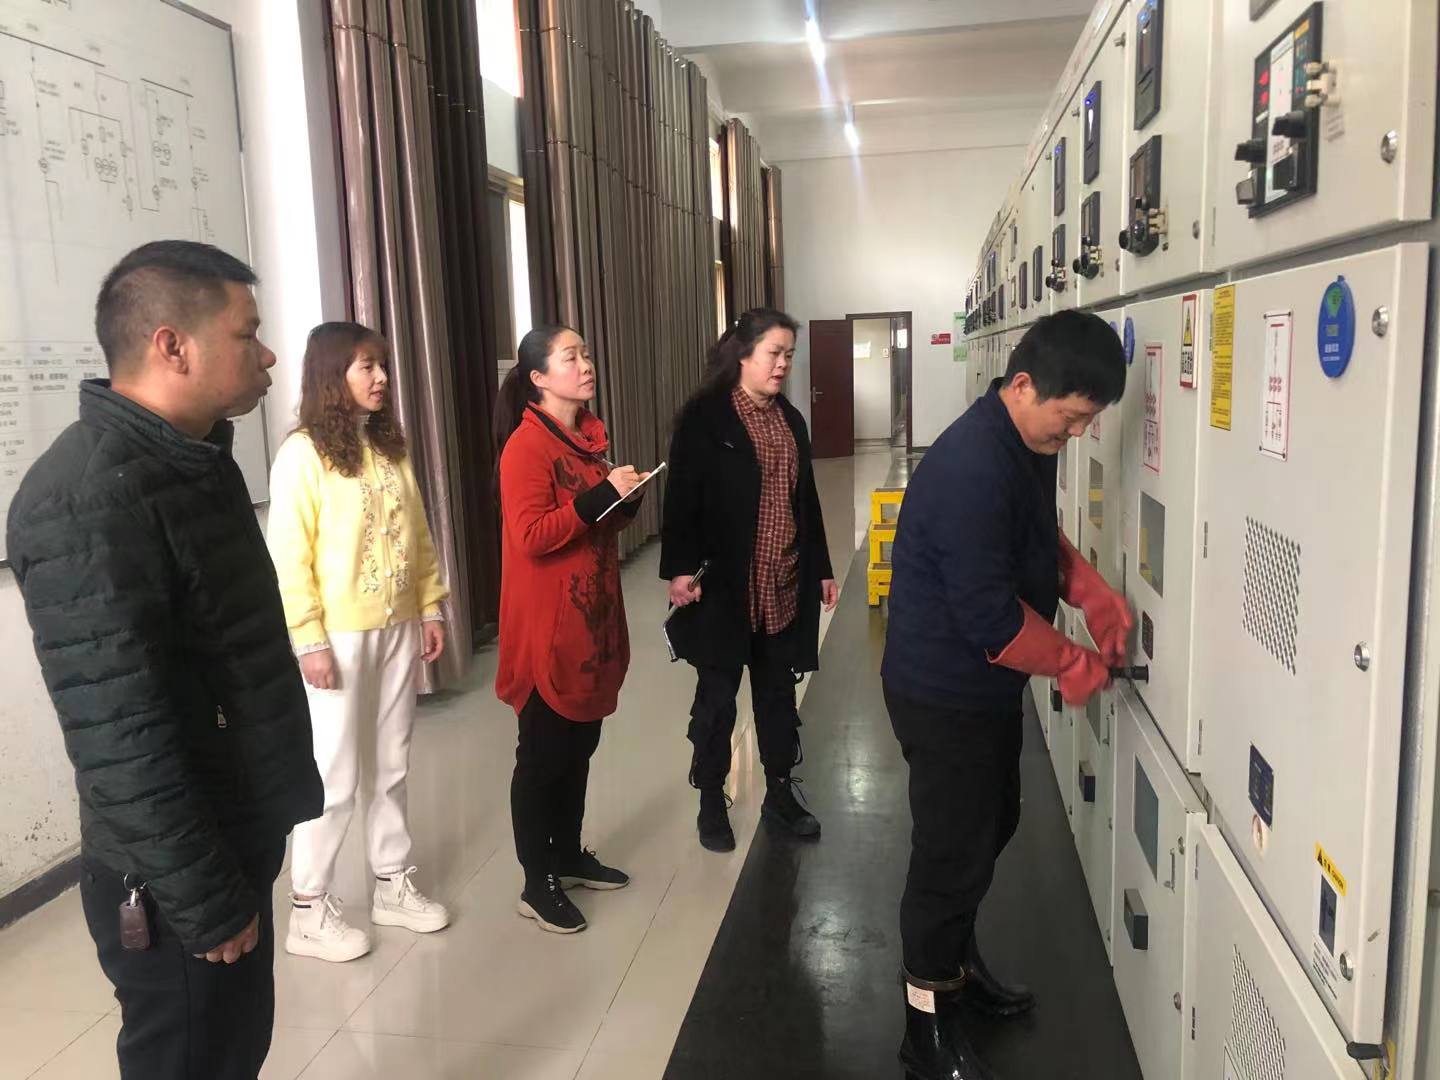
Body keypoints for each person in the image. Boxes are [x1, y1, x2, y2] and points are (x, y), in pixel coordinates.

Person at [6, 241, 323, 1079]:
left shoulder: (189, 461)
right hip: (175, 876)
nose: (267, 354)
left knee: (234, 1048)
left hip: (228, 832)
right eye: (247, 333)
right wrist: (206, 898)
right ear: (172, 346)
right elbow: (120, 738)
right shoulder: (83, 498)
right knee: (188, 1059)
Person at [882, 310, 1131, 1080]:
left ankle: (956, 966)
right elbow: (992, 621)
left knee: (995, 822)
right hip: (942, 689)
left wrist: (1088, 589)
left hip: (983, 688)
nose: (1076, 435)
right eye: (1071, 418)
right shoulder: (971, 467)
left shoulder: (1026, 440)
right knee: (949, 856)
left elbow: (1032, 535)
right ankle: (925, 1026)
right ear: (1022, 384)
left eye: (1088, 422)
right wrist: (1072, 662)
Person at [265, 322, 452, 963]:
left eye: (382, 366)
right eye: (366, 367)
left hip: (397, 626)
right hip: (339, 636)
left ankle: (391, 883)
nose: (381, 378)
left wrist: (429, 605)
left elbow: (418, 532)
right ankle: (308, 908)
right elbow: (288, 557)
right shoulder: (302, 454)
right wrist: (308, 639)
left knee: (391, 763)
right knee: (335, 773)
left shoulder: (388, 446)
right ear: (331, 375)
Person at [660, 308, 839, 854]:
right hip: (725, 590)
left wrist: (822, 567)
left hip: (782, 584)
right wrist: (680, 569)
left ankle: (779, 793)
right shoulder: (706, 420)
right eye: (774, 353)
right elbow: (681, 501)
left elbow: (806, 501)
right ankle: (711, 799)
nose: (783, 364)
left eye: (789, 355)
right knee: (717, 702)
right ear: (743, 354)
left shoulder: (791, 420)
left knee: (778, 696)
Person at [494, 324, 647, 934]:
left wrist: (622, 501)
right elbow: (533, 535)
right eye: (570, 357)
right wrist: (599, 496)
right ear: (538, 378)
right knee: (542, 757)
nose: (586, 364)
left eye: (586, 353)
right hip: (548, 629)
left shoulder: (586, 440)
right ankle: (537, 882)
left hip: (590, 623)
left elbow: (589, 523)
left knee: (580, 747)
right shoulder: (526, 449)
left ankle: (566, 854)